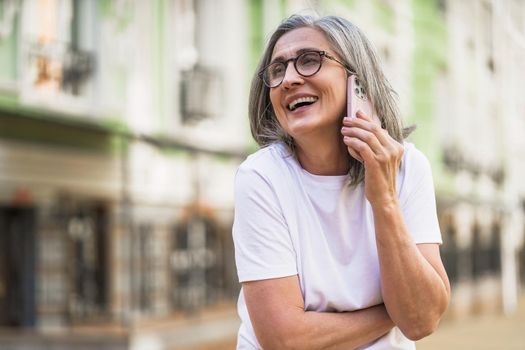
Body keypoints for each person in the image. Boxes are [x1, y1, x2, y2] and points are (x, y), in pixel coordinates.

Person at [232, 14, 450, 350]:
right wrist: (394, 312)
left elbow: (422, 320)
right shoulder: (261, 177)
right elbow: (285, 339)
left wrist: (385, 201)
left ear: (357, 81)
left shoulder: (409, 167)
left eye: (309, 61)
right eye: (277, 70)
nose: (288, 79)